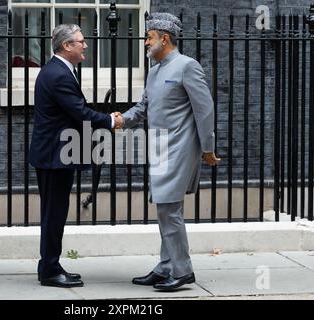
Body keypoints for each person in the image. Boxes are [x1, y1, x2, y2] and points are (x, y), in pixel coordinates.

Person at [114, 12, 220, 291]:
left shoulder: (187, 66)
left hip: (181, 147)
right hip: (160, 147)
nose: (146, 43)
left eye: (149, 37)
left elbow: (204, 109)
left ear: (165, 38)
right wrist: (121, 119)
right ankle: (166, 267)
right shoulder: (154, 71)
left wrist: (208, 147)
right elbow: (143, 108)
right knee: (165, 208)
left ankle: (182, 271)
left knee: (168, 208)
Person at [29, 24, 122, 288]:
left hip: (55, 154)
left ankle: (51, 264)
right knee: (54, 214)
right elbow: (79, 111)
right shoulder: (58, 74)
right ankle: (49, 269)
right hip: (54, 156)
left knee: (55, 212)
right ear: (67, 46)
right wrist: (110, 121)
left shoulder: (59, 70)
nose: (86, 45)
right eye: (81, 41)